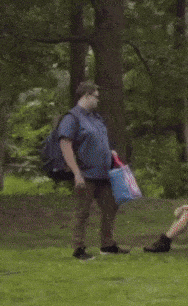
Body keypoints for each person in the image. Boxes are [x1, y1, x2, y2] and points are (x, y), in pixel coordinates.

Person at [59, 81, 129, 260]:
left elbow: (99, 141)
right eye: (96, 97)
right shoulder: (72, 118)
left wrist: (110, 153)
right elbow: (65, 145)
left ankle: (107, 244)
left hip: (104, 174)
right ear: (86, 95)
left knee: (111, 206)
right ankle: (78, 248)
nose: (98, 100)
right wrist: (76, 173)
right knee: (82, 212)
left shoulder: (96, 118)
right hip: (86, 175)